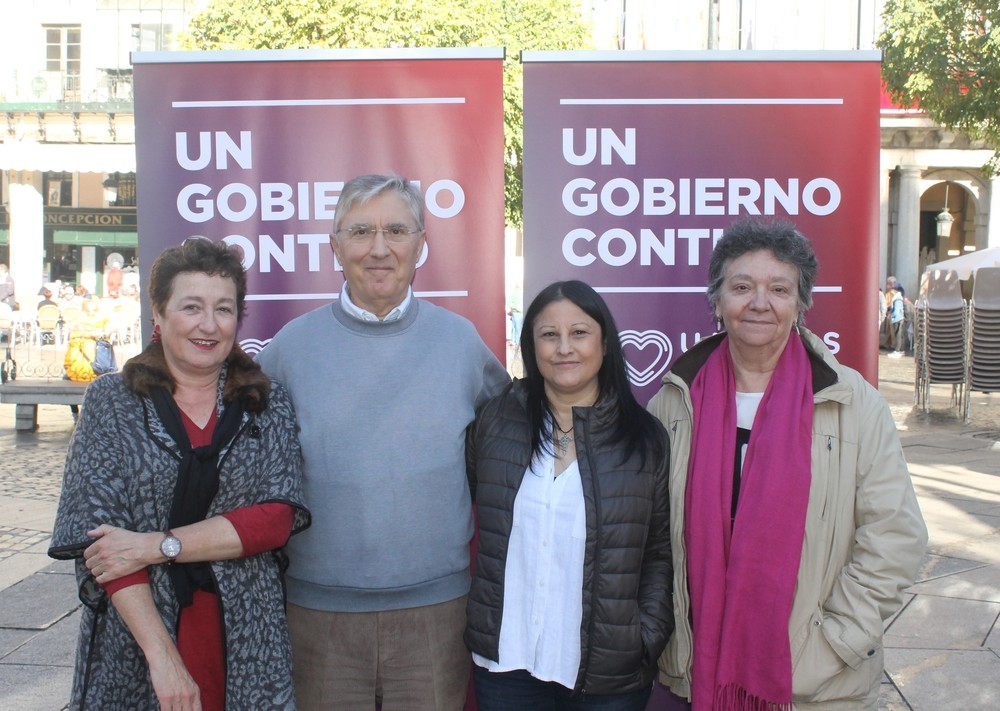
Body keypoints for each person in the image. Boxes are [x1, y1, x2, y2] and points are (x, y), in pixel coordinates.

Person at [647, 219, 927, 710]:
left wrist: (834, 640)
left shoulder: (853, 404)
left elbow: (894, 539)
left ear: (800, 305)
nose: (760, 302)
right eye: (741, 287)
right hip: (696, 674)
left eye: (779, 289)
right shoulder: (674, 403)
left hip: (816, 682)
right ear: (717, 300)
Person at [255, 174, 510, 710]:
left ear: (421, 244)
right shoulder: (288, 351)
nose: (379, 248)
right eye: (361, 231)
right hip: (318, 616)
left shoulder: (461, 343)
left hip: (436, 615)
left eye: (396, 229)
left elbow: (509, 445)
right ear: (334, 246)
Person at [49, 238, 311, 710]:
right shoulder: (112, 403)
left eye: (223, 309)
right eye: (191, 307)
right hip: (138, 634)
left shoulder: (267, 404)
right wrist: (163, 659)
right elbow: (100, 544)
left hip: (248, 636)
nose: (208, 325)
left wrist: (154, 545)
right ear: (159, 313)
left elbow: (275, 518)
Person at [465, 280, 672, 710]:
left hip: (607, 674)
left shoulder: (644, 438)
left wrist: (644, 637)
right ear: (531, 344)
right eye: (548, 334)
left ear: (605, 343)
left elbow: (658, 551)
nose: (564, 348)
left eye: (579, 333)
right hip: (507, 665)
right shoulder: (494, 422)